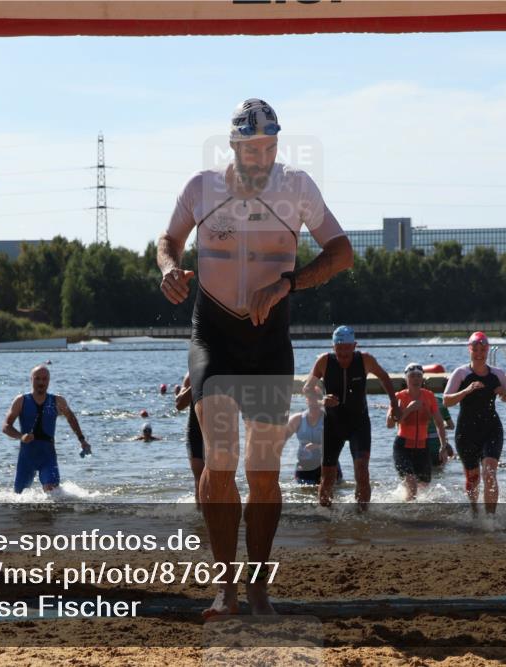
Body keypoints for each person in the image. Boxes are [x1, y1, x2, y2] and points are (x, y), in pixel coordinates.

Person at [157, 98, 353, 618]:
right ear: (234, 146)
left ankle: (259, 588)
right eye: (252, 150)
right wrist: (169, 268)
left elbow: (342, 252)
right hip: (214, 337)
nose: (261, 159)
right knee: (220, 458)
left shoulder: (298, 188)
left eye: (269, 148)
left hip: (268, 342)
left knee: (263, 472)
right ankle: (225, 588)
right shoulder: (202, 188)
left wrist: (291, 281)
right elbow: (168, 241)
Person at [303, 325, 401, 510]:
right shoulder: (324, 361)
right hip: (333, 425)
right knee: (328, 476)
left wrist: (394, 404)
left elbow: (384, 377)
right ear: (333, 348)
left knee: (362, 471)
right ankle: (325, 516)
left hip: (359, 424)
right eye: (339, 352)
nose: (342, 358)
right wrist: (322, 400)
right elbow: (307, 388)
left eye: (346, 352)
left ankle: (362, 517)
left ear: (354, 346)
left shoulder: (366, 359)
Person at [442, 332, 506, 517]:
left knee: (489, 473)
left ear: (487, 350)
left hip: (491, 428)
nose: (479, 353)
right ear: (469, 349)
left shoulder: (497, 373)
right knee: (472, 478)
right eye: (476, 349)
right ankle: (475, 512)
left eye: (483, 349)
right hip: (466, 432)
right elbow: (446, 401)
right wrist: (466, 390)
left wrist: (504, 392)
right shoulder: (461, 373)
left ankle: (490, 518)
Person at [2, 364, 92, 494]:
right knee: (18, 497)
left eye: (44, 379)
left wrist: (82, 440)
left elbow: (71, 419)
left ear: (49, 381)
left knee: (53, 494)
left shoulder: (57, 401)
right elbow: (6, 426)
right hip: (27, 457)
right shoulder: (21, 400)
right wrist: (21, 436)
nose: (41, 382)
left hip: (48, 457)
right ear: (31, 379)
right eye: (37, 379)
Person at [388, 363, 449, 501]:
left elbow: (439, 423)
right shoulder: (399, 397)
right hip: (403, 446)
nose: (415, 379)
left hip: (422, 447)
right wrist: (408, 409)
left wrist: (443, 446)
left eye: (418, 376)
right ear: (406, 379)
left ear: (422, 379)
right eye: (412, 376)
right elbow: (390, 424)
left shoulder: (429, 396)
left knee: (424, 485)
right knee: (411, 482)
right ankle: (410, 513)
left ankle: (405, 502)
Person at [283, 386, 342, 486]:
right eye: (311, 397)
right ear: (307, 400)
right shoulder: (297, 419)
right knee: (303, 494)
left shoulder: (329, 419)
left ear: (322, 399)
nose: (314, 400)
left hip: (328, 465)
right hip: (304, 466)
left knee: (329, 495)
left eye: (318, 397)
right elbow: (280, 440)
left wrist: (318, 446)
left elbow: (338, 444)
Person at [175, 372, 205, 505]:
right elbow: (179, 405)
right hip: (195, 431)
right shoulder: (191, 374)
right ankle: (200, 517)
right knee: (199, 478)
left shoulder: (225, 368)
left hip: (220, 431)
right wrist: (197, 383)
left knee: (222, 476)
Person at [427, 394, 456, 468]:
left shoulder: (416, 400)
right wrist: (440, 427)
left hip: (423, 444)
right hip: (439, 444)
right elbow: (451, 426)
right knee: (439, 472)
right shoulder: (441, 402)